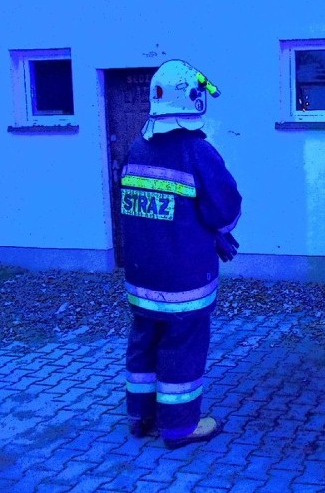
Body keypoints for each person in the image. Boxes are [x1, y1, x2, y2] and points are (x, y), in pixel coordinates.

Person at [120, 59, 242, 449]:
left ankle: (141, 416)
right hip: (184, 280)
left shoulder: (135, 148)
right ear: (194, 100)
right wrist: (220, 233)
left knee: (144, 339)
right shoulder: (197, 152)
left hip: (141, 277)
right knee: (182, 346)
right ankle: (179, 426)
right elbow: (225, 208)